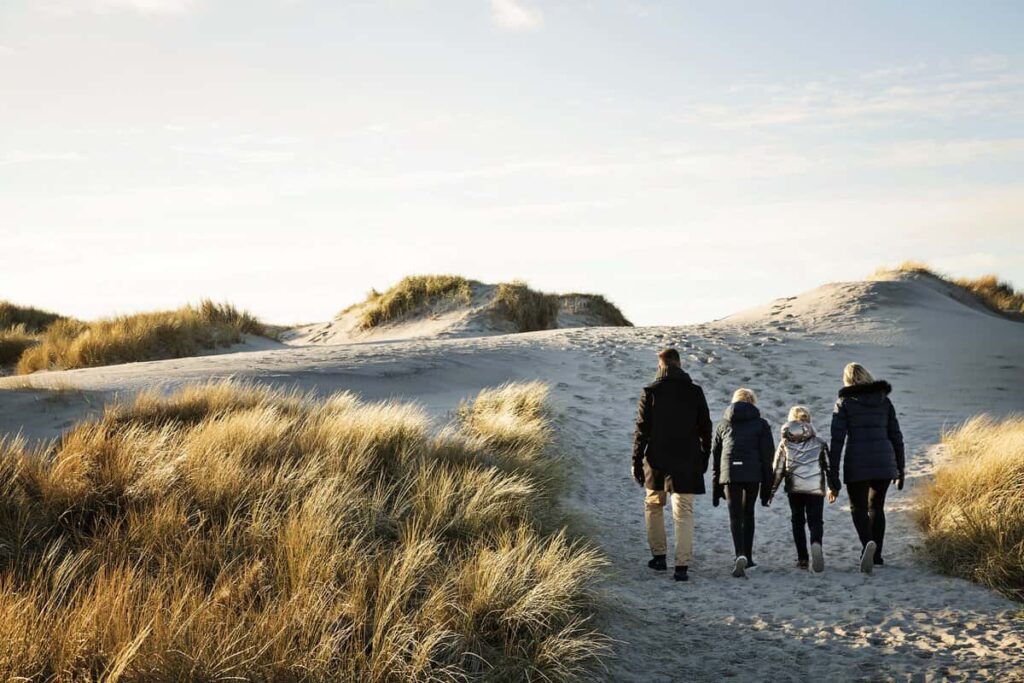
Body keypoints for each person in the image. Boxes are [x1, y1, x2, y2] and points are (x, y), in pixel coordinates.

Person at [632, 348, 713, 582]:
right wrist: (704, 458)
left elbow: (641, 431)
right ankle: (681, 565)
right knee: (683, 512)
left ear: (661, 366)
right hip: (687, 461)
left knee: (654, 505)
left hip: (656, 459)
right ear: (679, 364)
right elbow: (705, 429)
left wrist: (635, 461)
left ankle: (659, 557)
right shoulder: (695, 392)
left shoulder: (651, 392)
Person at [828, 362, 906, 574]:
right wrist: (901, 468)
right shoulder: (884, 401)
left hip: (857, 461)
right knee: (876, 507)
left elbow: (837, 442)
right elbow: (896, 436)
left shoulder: (845, 402)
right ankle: (877, 555)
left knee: (858, 508)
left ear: (847, 380)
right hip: (884, 461)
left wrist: (832, 477)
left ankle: (867, 545)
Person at [712, 388, 774, 578]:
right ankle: (748, 556)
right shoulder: (761, 424)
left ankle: (739, 553)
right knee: (749, 513)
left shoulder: (723, 424)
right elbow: (767, 456)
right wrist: (767, 488)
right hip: (753, 473)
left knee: (734, 515)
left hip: (730, 473)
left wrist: (716, 485)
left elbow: (716, 455)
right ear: (753, 402)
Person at [767, 406, 838, 573]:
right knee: (816, 520)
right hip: (815, 489)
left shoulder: (785, 443)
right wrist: (833, 488)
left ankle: (803, 559)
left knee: (797, 521)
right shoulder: (820, 443)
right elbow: (829, 467)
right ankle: (816, 544)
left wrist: (769, 492)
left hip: (794, 488)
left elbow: (777, 470)